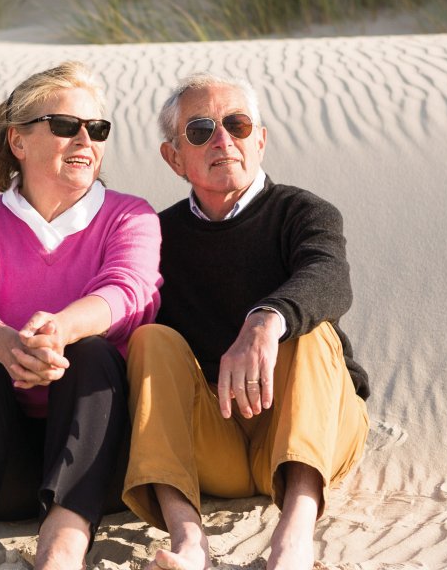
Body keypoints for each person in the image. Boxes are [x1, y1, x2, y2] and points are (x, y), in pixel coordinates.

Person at [123, 73, 370, 570]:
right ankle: (188, 540)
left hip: (315, 431)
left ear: (259, 139)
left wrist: (266, 319)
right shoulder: (158, 235)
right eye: (200, 130)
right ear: (174, 157)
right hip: (220, 441)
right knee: (149, 339)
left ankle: (293, 539)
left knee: (312, 331)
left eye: (237, 124)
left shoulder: (304, 213)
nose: (223, 140)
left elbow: (329, 277)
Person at [0, 61, 163, 570]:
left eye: (97, 128)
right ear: (18, 140)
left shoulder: (129, 215)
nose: (85, 140)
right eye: (65, 125)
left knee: (92, 353)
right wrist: (8, 345)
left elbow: (129, 291)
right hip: (0, 469)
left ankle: (60, 554)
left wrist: (59, 330)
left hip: (100, 460)